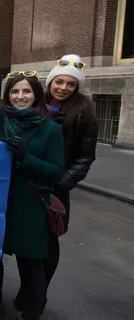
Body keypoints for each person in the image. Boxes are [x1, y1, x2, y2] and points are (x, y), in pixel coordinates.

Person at [0, 70, 64, 320]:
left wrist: (25, 158)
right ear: (7, 95)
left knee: (30, 261)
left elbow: (56, 171)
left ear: (37, 95)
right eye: (15, 91)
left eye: (26, 91)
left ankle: (32, 309)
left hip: (30, 202)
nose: (20, 96)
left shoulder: (51, 128)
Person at [43, 55, 97, 293]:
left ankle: (39, 296)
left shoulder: (84, 111)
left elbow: (85, 156)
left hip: (56, 188)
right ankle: (29, 292)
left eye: (71, 84)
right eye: (59, 82)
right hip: (30, 182)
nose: (63, 88)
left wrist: (62, 183)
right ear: (51, 82)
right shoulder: (35, 103)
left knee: (49, 241)